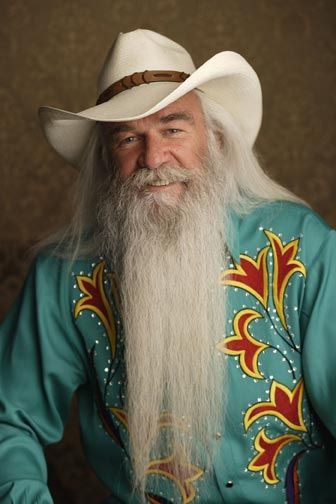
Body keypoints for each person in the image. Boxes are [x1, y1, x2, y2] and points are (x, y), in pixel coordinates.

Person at [0, 28, 335, 504]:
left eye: (173, 129)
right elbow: (9, 417)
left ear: (214, 139)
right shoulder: (64, 277)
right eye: (128, 138)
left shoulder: (301, 247)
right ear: (105, 158)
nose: (153, 158)